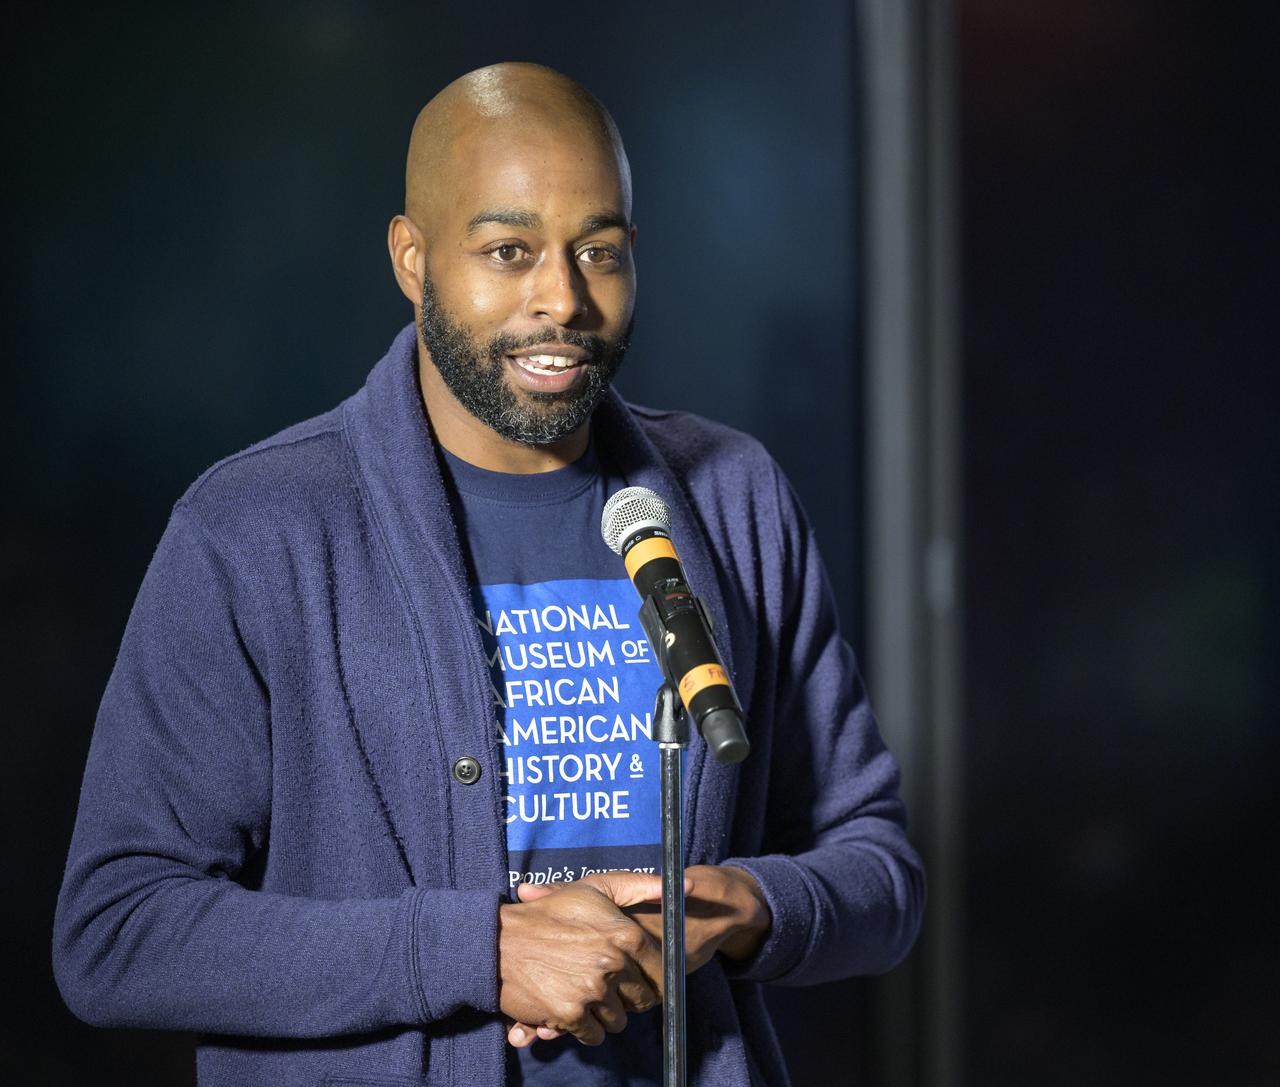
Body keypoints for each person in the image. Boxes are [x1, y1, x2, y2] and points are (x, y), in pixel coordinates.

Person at [53, 62, 924, 1086]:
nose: (561, 298)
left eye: (598, 250)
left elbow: (880, 872)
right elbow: (117, 931)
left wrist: (752, 907)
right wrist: (480, 951)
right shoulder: (255, 529)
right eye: (508, 251)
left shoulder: (734, 498)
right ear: (412, 260)